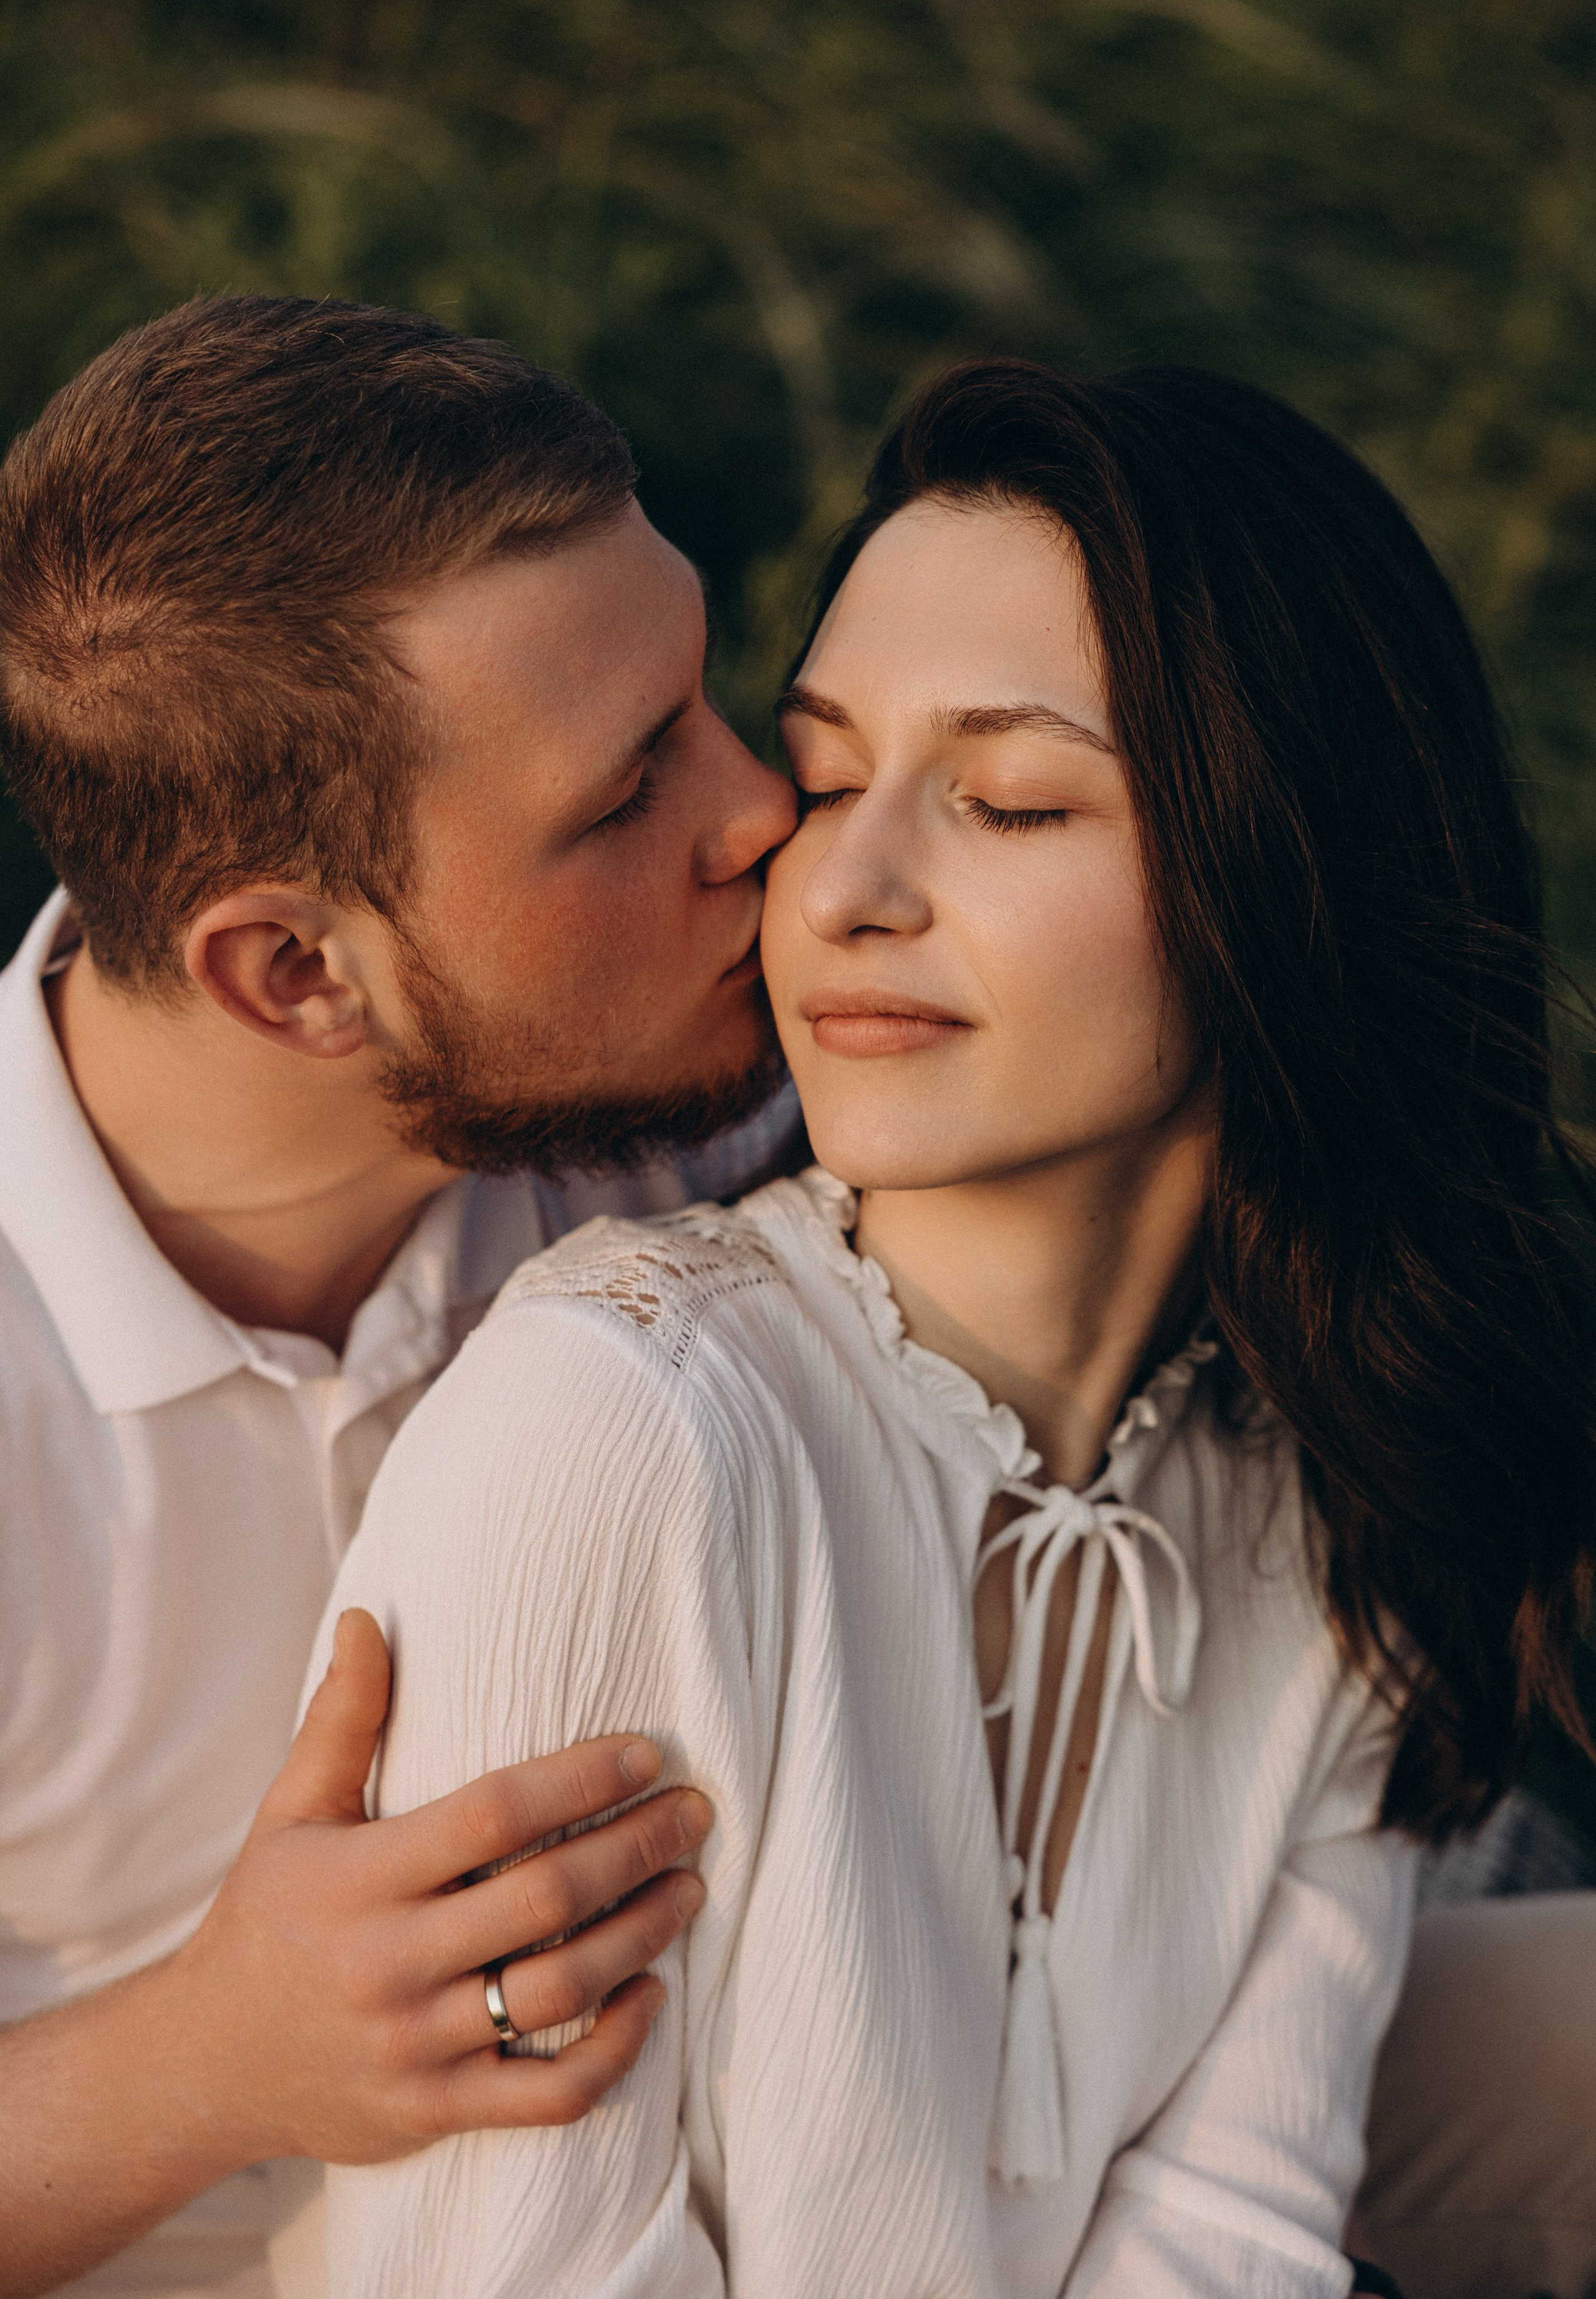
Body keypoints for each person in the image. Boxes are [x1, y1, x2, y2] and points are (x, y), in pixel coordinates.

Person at [317, 360, 1596, 2298]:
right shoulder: (619, 1426)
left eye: (1006, 801)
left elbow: (1239, 2225)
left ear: (1292, 878)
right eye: (825, 778)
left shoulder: (1326, 1478)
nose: (844, 883)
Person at [0, 294, 804, 2298]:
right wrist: (217, 2057)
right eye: (626, 800)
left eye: (710, 698)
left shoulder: (684, 1091)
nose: (762, 814)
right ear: (295, 976)